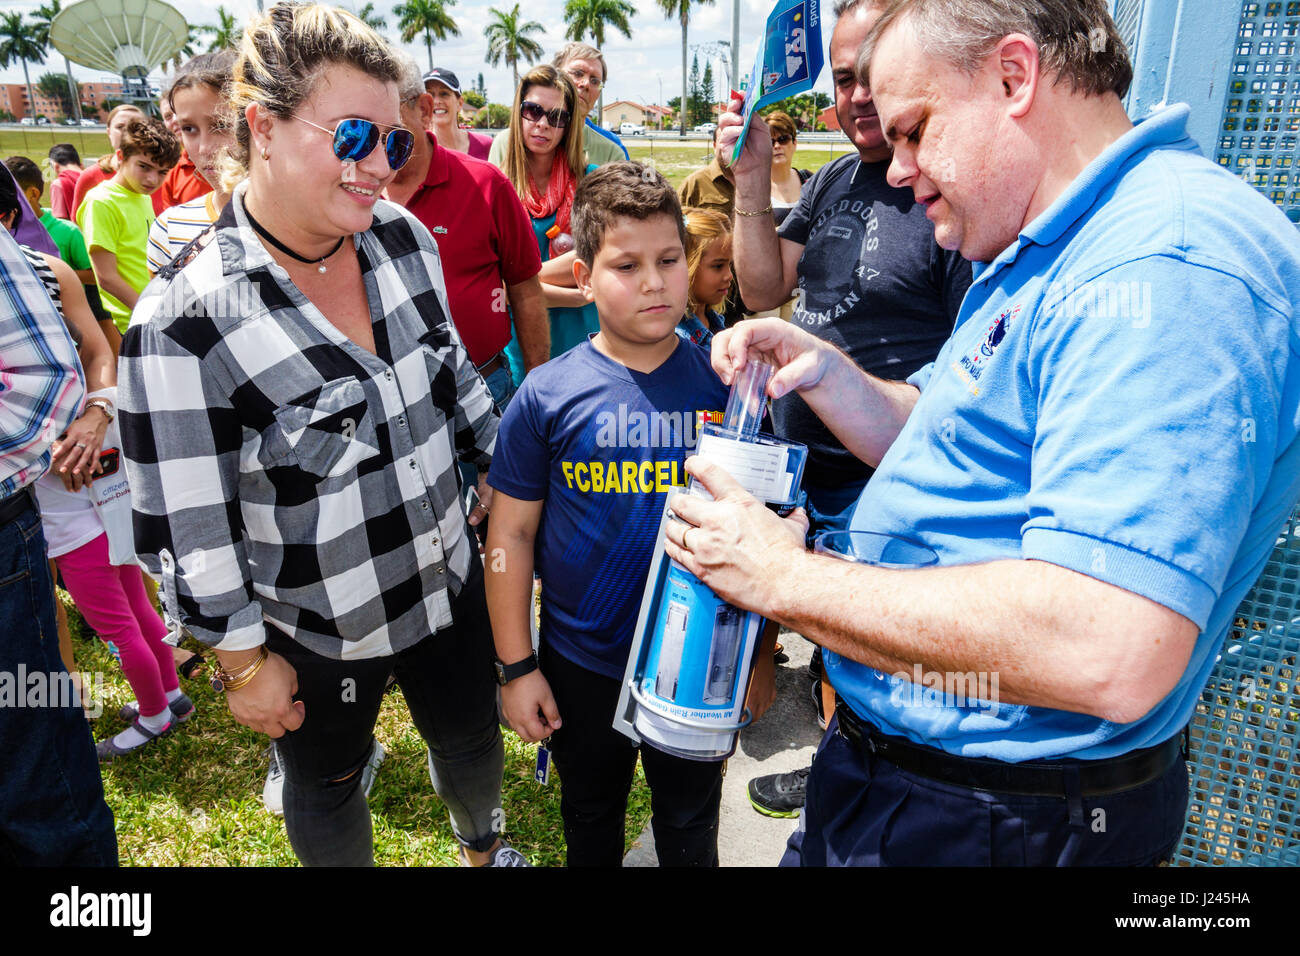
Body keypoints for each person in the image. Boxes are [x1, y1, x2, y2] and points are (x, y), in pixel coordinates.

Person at [673, 0, 1300, 867]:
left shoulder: (1166, 268)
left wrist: (786, 577)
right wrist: (834, 375)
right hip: (920, 786)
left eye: (916, 130)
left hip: (1000, 818)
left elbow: (1109, 646)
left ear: (1014, 76)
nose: (897, 170)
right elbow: (947, 437)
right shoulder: (1054, 246)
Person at [120, 1, 524, 867]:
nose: (379, 165)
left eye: (394, 141)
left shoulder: (403, 240)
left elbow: (451, 371)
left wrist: (496, 465)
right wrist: (239, 664)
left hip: (445, 579)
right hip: (314, 625)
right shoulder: (186, 320)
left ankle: (482, 847)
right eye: (351, 136)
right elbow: (190, 529)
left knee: (468, 742)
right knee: (329, 785)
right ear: (261, 127)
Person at [487, 161, 773, 866]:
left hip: (700, 657)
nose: (654, 281)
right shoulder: (547, 396)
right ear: (583, 277)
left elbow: (767, 536)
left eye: (670, 260)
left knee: (687, 824)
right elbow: (511, 534)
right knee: (589, 816)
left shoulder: (730, 389)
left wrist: (759, 656)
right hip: (582, 661)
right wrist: (516, 666)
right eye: (627, 264)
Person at [728, 0, 972, 820]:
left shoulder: (948, 188)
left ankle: (850, 784)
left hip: (888, 473)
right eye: (842, 78)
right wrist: (751, 179)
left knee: (869, 647)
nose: (859, 94)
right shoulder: (834, 177)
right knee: (834, 637)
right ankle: (842, 771)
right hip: (804, 468)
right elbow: (764, 287)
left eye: (872, 72)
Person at [0, 173, 192, 762]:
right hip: (106, 478)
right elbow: (97, 350)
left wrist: (87, 420)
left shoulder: (42, 275)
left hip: (63, 498)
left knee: (112, 623)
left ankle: (155, 715)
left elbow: (99, 348)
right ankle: (172, 693)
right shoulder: (51, 271)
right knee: (135, 597)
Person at [0, 220, 117, 866]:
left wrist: (98, 414)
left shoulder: (52, 267)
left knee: (102, 597)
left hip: (67, 477)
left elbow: (92, 354)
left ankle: (145, 699)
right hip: (38, 488)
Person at [386, 53, 547, 411]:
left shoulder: (486, 184)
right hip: (395, 402)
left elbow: (525, 290)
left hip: (484, 385)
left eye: (390, 119)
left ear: (424, 110)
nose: (377, 139)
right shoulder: (352, 195)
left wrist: (538, 386)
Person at [495, 64, 598, 383]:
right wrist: (575, 293)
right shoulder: (495, 185)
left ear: (568, 125)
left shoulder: (591, 180)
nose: (542, 124)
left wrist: (520, 282)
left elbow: (596, 260)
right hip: (523, 342)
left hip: (584, 339)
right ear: (519, 112)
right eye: (533, 111)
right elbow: (495, 286)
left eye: (556, 117)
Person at [77, 117, 180, 355]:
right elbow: (106, 277)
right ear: (121, 157)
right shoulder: (101, 202)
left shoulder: (141, 196)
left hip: (156, 309)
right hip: (135, 320)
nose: (152, 179)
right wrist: (150, 312)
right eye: (143, 166)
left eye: (162, 172)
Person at [147, 51, 237, 274]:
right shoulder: (168, 230)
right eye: (189, 129)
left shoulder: (313, 222)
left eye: (221, 125)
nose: (205, 148)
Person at [489, 42, 628, 169]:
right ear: (555, 76)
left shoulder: (611, 154)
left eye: (595, 81)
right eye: (578, 73)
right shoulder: (507, 143)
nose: (585, 84)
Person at [70, 103, 145, 223]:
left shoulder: (161, 175)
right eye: (120, 126)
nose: (127, 132)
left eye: (136, 126)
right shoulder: (90, 176)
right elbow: (79, 224)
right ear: (109, 132)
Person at [678, 207, 730, 348]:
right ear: (688, 265)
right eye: (718, 266)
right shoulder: (677, 341)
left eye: (729, 265)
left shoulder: (715, 321)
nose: (729, 276)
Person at [423, 67, 493, 160]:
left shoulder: (486, 145)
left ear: (459, 103)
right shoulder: (419, 153)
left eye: (444, 94)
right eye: (430, 95)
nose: (437, 101)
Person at [47, 143, 84, 221]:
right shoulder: (94, 178)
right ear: (81, 165)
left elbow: (60, 221)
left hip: (76, 232)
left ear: (56, 166)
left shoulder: (58, 184)